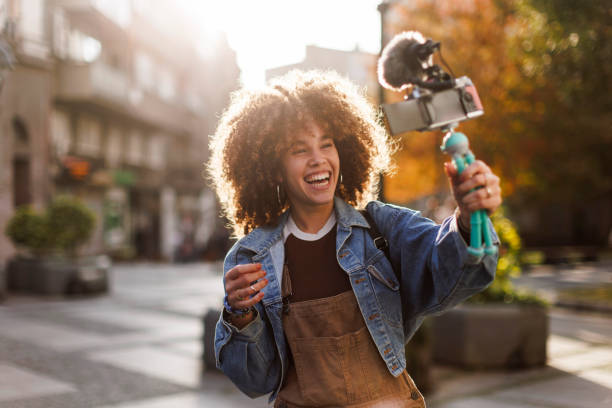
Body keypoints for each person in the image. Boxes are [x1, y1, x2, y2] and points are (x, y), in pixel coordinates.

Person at [208, 70, 501, 407]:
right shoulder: (250, 257)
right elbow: (254, 381)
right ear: (273, 168)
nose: (318, 158)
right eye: (300, 149)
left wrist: (467, 218)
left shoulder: (383, 228)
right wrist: (239, 316)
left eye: (327, 143)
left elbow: (454, 274)